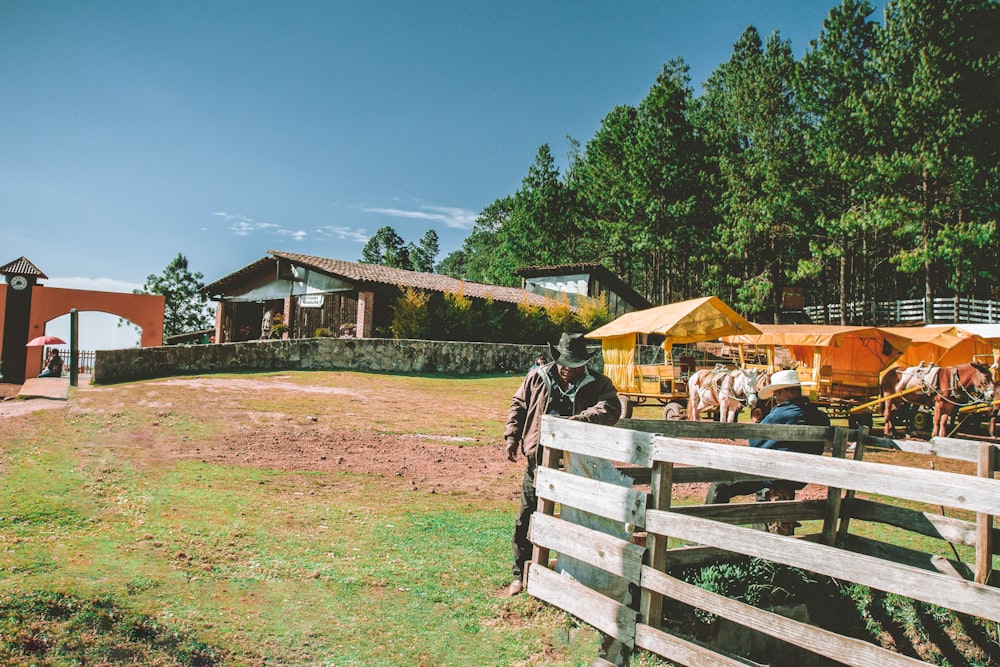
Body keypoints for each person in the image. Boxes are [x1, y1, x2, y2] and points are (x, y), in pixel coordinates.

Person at [504, 332, 621, 597]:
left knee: (579, 521)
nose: (568, 369)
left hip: (578, 465)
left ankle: (577, 575)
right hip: (539, 462)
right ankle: (520, 575)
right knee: (526, 518)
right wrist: (512, 436)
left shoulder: (599, 383)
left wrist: (579, 422)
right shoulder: (537, 377)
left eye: (574, 364)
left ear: (584, 363)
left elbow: (611, 407)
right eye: (564, 363)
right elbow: (519, 405)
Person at [705, 368, 830, 505]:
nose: (775, 399)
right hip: (802, 475)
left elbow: (755, 442)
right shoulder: (819, 415)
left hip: (777, 474)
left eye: (776, 395)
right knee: (761, 488)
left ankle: (707, 522)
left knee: (719, 483)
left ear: (784, 392)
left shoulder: (781, 414)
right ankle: (762, 524)